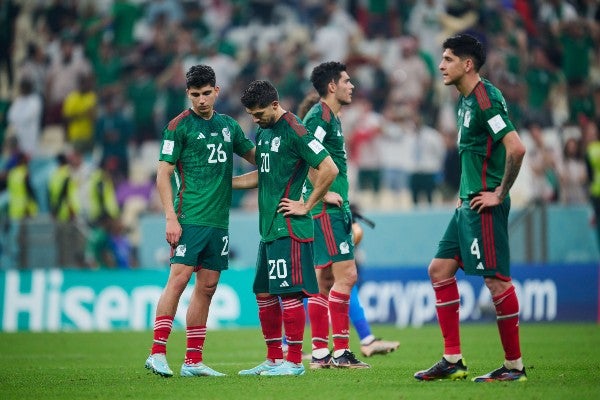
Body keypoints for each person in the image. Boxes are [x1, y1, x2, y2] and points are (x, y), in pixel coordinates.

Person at [414, 34, 527, 382]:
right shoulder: (464, 101)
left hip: (483, 206)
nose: (441, 64)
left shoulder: (484, 99)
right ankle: (452, 360)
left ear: (467, 64)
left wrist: (499, 192)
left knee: (496, 282)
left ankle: (514, 367)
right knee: (439, 270)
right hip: (466, 205)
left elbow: (516, 148)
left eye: (448, 58)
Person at [144, 65, 255, 378]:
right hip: (189, 217)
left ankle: (193, 361)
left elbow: (256, 156)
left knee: (207, 287)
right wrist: (170, 217)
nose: (202, 100)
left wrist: (284, 153)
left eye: (207, 93)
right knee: (178, 281)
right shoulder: (178, 126)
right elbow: (163, 174)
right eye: (195, 94)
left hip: (219, 222)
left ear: (217, 91)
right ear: (187, 94)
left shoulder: (229, 126)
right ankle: (157, 353)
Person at [235, 80, 338, 376]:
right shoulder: (265, 131)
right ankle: (273, 359)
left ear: (275, 105)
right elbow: (262, 174)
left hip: (290, 228)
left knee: (289, 295)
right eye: (252, 115)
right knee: (265, 294)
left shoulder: (296, 130)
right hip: (269, 229)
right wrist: (225, 184)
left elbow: (329, 168)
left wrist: (306, 205)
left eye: (259, 113)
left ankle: (294, 362)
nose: (255, 119)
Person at [302, 61, 368, 369]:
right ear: (332, 86)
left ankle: (319, 354)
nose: (351, 85)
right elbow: (304, 153)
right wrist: (324, 193)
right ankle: (341, 352)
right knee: (347, 276)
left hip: (326, 209)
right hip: (326, 209)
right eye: (347, 80)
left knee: (325, 280)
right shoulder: (320, 115)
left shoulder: (331, 117)